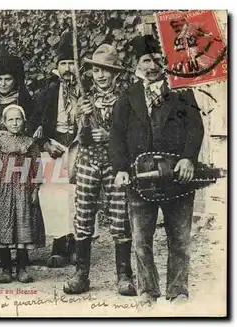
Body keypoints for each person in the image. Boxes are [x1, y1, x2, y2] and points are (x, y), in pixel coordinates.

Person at [109, 35, 204, 303]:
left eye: (158, 59)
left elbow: (195, 128)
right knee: (141, 240)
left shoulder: (182, 92)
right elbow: (116, 136)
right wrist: (120, 168)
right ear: (136, 63)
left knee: (180, 239)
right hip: (141, 180)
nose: (153, 65)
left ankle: (178, 291)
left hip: (178, 178)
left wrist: (188, 159)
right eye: (146, 60)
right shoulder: (127, 98)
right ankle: (147, 291)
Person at [62, 44, 135, 296]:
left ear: (115, 73)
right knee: (83, 216)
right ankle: (81, 274)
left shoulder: (127, 99)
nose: (101, 75)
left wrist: (110, 135)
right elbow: (78, 137)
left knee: (119, 216)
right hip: (87, 161)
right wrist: (83, 119)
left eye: (106, 70)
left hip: (116, 165)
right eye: (96, 70)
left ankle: (124, 275)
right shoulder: (85, 98)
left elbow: (134, 135)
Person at [34, 32, 83, 268]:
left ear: (78, 65)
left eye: (71, 63)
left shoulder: (86, 90)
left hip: (78, 146)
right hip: (54, 147)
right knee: (54, 195)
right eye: (63, 64)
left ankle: (77, 243)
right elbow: (34, 124)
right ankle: (59, 244)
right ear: (57, 67)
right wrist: (45, 143)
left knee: (76, 194)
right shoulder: (47, 93)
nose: (67, 68)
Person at [0, 104, 45, 283]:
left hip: (24, 189)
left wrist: (35, 188)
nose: (14, 123)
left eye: (18, 119)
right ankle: (6, 268)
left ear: (24, 121)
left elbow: (37, 166)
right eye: (10, 119)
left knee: (23, 224)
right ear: (3, 122)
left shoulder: (30, 143)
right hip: (3, 189)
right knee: (3, 225)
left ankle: (21, 267)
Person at [0, 54, 37, 144]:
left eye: (8, 79)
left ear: (15, 80)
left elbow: (31, 127)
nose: (3, 84)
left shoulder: (24, 100)